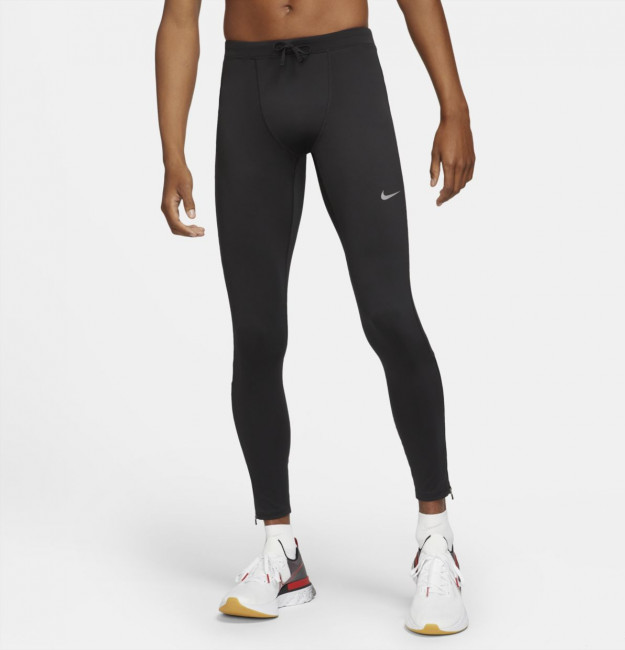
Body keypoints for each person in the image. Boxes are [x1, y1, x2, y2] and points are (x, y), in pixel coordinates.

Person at [155, 0, 475, 635]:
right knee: (256, 331)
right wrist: (172, 151)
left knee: (389, 313)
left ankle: (436, 540)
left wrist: (454, 108)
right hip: (247, 87)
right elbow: (179, 18)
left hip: (345, 77)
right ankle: (281, 551)